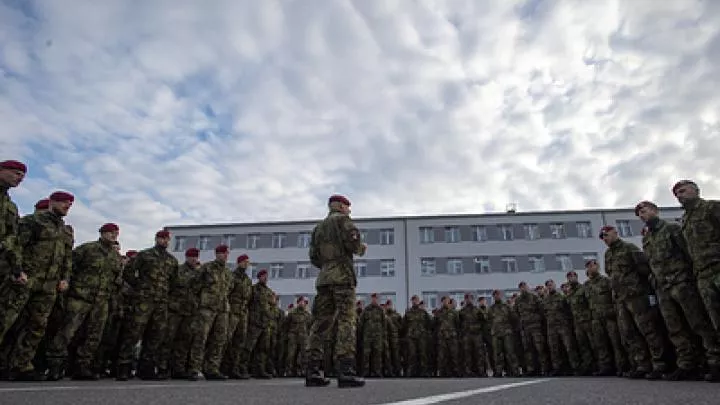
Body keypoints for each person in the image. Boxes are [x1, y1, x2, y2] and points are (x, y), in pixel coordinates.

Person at [305, 194, 366, 388]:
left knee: (320, 324)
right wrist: (361, 248)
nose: (349, 211)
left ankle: (312, 371)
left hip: (324, 279)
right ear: (340, 206)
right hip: (342, 277)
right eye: (348, 207)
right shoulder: (344, 222)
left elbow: (314, 257)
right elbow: (354, 245)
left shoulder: (318, 228)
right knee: (346, 321)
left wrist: (326, 266)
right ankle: (345, 370)